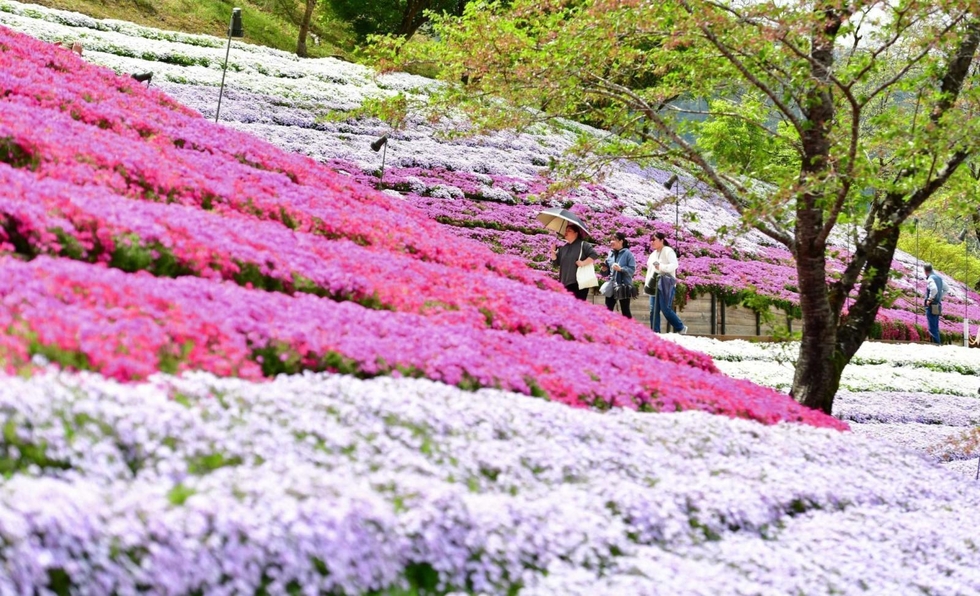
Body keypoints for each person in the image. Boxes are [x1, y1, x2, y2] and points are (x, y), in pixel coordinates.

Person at [646, 232, 688, 334]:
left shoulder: (668, 251)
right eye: (651, 240)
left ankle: (681, 327)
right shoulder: (652, 254)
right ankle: (655, 332)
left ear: (661, 240)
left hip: (665, 284)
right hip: (654, 284)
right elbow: (650, 270)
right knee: (653, 310)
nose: (652, 242)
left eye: (654, 239)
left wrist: (661, 267)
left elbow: (674, 265)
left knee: (665, 309)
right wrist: (648, 284)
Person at [551, 224, 598, 300]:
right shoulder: (563, 248)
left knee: (577, 309)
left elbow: (594, 255)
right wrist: (553, 253)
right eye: (566, 231)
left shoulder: (583, 245)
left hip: (579, 283)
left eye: (569, 231)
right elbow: (556, 263)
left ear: (576, 233)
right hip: (564, 283)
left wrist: (583, 263)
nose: (566, 232)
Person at [603, 232, 636, 318]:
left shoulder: (628, 254)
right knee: (607, 310)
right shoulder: (610, 253)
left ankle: (630, 330)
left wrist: (621, 269)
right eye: (611, 239)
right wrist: (604, 270)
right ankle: (605, 330)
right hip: (612, 284)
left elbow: (632, 270)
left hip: (623, 286)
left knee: (625, 311)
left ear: (621, 241)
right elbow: (606, 271)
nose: (611, 241)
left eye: (614, 239)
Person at [924, 263, 944, 344]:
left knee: (932, 327)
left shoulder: (931, 278)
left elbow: (934, 289)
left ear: (925, 271)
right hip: (938, 305)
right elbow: (946, 289)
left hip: (932, 305)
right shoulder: (939, 278)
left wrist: (930, 299)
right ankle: (937, 343)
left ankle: (936, 345)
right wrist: (939, 297)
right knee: (935, 326)